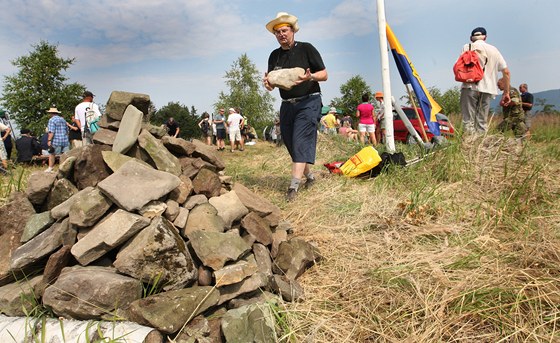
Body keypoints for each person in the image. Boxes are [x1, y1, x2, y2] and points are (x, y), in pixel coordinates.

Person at [263, 12, 328, 201]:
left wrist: (311, 77)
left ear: (292, 31)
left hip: (309, 100)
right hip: (287, 104)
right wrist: (267, 84)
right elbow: (271, 85)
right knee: (291, 143)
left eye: (284, 30)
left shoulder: (306, 49)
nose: (281, 34)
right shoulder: (274, 56)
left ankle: (293, 188)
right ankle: (309, 177)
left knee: (300, 140)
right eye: (278, 32)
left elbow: (324, 74)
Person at [460, 27, 510, 134]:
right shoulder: (494, 50)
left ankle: (469, 147)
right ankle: (481, 147)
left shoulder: (467, 47)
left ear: (471, 38)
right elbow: (506, 72)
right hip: (488, 89)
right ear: (485, 37)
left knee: (468, 121)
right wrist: (506, 93)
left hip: (470, 87)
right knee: (482, 121)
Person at [45, 107, 70, 172]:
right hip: (65, 140)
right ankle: (65, 169)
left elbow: (51, 131)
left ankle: (50, 167)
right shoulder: (63, 119)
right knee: (65, 155)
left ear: (51, 113)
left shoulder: (51, 120)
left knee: (52, 154)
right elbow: (67, 130)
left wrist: (49, 140)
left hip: (56, 140)